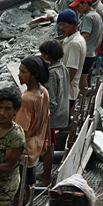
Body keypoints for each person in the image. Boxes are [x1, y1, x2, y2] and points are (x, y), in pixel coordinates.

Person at [14, 56, 51, 206]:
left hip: (24, 150)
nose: (19, 75)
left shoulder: (27, 99)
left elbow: (20, 129)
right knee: (28, 183)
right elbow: (48, 118)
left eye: (23, 72)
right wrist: (47, 139)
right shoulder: (44, 92)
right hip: (36, 146)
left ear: (33, 75)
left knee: (18, 187)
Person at [38, 40, 67, 187]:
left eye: (42, 53)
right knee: (49, 146)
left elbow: (51, 101)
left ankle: (46, 178)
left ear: (47, 55)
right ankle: (44, 173)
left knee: (47, 147)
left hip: (51, 117)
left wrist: (42, 117)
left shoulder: (51, 73)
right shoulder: (62, 67)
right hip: (62, 112)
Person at [57, 8, 86, 126]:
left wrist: (62, 90)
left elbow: (72, 69)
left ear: (73, 24)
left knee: (63, 123)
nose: (61, 28)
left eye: (64, 24)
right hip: (70, 88)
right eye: (60, 25)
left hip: (68, 90)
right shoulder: (74, 39)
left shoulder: (74, 43)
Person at [73, 0, 103, 99]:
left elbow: (84, 36)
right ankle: (83, 97)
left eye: (78, 5)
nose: (77, 9)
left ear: (85, 3)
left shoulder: (88, 18)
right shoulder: (97, 16)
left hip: (85, 53)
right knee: (84, 75)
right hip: (91, 51)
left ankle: (81, 97)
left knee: (81, 77)